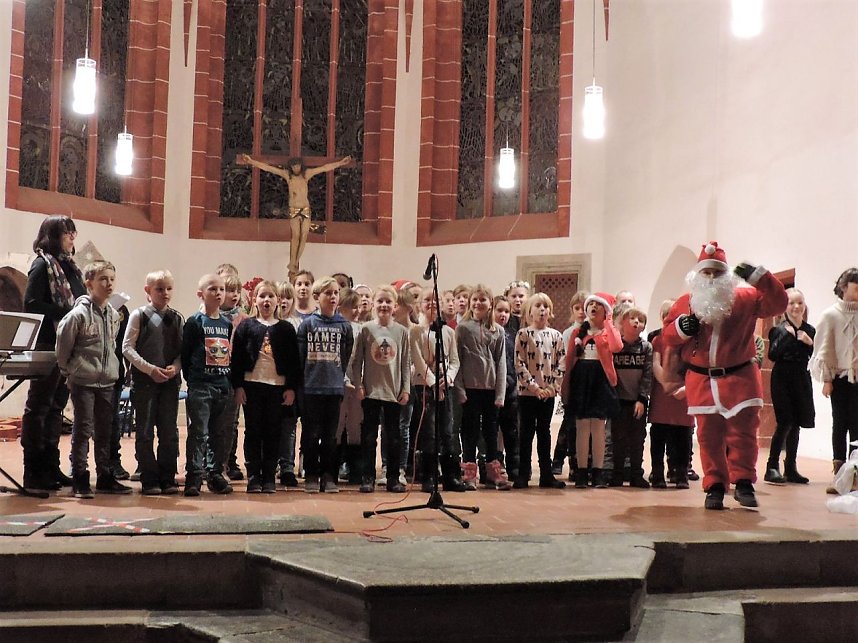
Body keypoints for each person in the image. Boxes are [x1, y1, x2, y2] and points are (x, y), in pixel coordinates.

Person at [663, 241, 788, 510]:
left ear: (727, 276)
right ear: (697, 276)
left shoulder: (745, 299)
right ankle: (715, 486)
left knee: (743, 434)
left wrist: (761, 277)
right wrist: (681, 328)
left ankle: (743, 482)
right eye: (705, 273)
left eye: (716, 273)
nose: (710, 279)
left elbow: (778, 303)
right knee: (708, 436)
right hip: (701, 380)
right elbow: (668, 336)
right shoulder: (685, 303)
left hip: (740, 378)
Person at [21, 215, 86, 492]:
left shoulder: (70, 267)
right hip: (49, 344)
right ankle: (33, 471)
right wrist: (70, 314)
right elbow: (32, 304)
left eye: (73, 233)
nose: (72, 238)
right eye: (67, 233)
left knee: (57, 408)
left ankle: (51, 466)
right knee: (40, 407)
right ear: (52, 235)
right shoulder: (41, 265)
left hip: (69, 346)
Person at [55, 261, 129, 498]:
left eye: (111, 279)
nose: (109, 284)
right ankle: (80, 477)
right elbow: (63, 349)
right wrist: (69, 372)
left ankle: (105, 476)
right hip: (84, 381)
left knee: (105, 431)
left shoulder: (113, 315)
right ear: (89, 283)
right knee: (83, 429)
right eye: (103, 279)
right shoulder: (77, 315)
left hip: (107, 381)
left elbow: (112, 346)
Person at [231, 280, 300, 494]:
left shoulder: (286, 329)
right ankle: (254, 476)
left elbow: (293, 362)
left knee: (273, 432)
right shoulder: (246, 326)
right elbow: (238, 359)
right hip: (252, 386)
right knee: (253, 431)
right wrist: (238, 387)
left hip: (276, 387)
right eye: (262, 296)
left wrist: (291, 388)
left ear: (278, 301)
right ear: (255, 300)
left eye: (271, 296)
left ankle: (269, 475)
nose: (266, 300)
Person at [239, 153, 353, 277]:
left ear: (300, 166)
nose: (296, 168)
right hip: (294, 209)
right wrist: (251, 161)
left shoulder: (306, 174)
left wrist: (341, 163)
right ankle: (292, 263)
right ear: (291, 167)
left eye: (297, 165)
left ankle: (295, 263)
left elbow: (324, 168)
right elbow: (269, 168)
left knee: (304, 235)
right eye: (293, 166)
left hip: (305, 208)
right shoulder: (288, 176)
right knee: (295, 237)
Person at [122, 269, 184, 495]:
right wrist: (149, 370)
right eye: (159, 289)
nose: (165, 293)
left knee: (168, 431)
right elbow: (127, 348)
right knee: (145, 430)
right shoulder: (139, 315)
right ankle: (149, 478)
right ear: (148, 291)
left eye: (169, 289)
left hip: (169, 382)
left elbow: (181, 351)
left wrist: (175, 368)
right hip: (145, 382)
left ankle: (167, 477)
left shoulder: (177, 318)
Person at [350, 285, 411, 493]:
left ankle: (393, 477)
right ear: (374, 304)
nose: (384, 305)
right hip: (371, 391)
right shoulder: (366, 329)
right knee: (368, 437)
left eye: (388, 302)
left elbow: (404, 362)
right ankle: (367, 477)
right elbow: (357, 360)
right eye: (380, 301)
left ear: (395, 306)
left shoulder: (402, 332)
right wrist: (358, 384)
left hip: (393, 392)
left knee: (393, 437)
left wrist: (406, 389)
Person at [296, 276, 354, 493]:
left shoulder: (344, 326)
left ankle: (329, 476)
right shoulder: (308, 325)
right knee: (311, 434)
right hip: (311, 388)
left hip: (333, 388)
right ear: (316, 297)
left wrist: (338, 377)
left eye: (335, 293)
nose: (332, 297)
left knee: (331, 435)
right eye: (327, 293)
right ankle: (311, 474)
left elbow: (345, 355)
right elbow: (301, 358)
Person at [561, 292, 623, 489]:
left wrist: (609, 323)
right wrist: (565, 385)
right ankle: (581, 471)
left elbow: (617, 346)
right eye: (591, 304)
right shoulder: (578, 333)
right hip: (581, 381)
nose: (593, 308)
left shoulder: (607, 332)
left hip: (600, 382)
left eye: (599, 305)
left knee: (598, 428)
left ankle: (597, 472)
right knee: (581, 428)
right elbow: (570, 359)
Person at [181, 274, 235, 496]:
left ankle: (215, 474)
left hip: (222, 384)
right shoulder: (194, 322)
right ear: (200, 294)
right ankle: (194, 476)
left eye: (221, 289)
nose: (218, 293)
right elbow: (186, 354)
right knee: (199, 432)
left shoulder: (226, 323)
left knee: (219, 432)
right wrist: (193, 379)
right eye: (213, 289)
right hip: (201, 385)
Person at [410, 287, 466, 492]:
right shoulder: (415, 331)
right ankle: (429, 476)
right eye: (427, 300)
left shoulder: (448, 332)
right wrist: (434, 383)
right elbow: (418, 360)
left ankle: (451, 476)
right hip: (425, 387)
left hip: (446, 387)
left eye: (435, 300)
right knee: (429, 432)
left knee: (447, 431)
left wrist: (448, 378)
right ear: (420, 305)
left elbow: (454, 360)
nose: (431, 304)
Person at [455, 284, 509, 490]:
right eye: (475, 299)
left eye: (483, 300)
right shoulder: (462, 328)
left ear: (490, 304)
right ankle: (469, 472)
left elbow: (501, 363)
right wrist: (459, 389)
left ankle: (493, 471)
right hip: (469, 389)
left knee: (490, 431)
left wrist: (500, 393)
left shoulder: (498, 331)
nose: (478, 303)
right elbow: (457, 360)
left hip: (490, 390)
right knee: (469, 431)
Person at [810, 268, 858, 493]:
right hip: (839, 379)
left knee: (857, 426)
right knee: (840, 424)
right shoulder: (831, 315)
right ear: (844, 286)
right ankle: (840, 477)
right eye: (855, 284)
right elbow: (824, 349)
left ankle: (854, 475)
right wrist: (827, 379)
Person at [514, 293, 566, 489]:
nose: (542, 310)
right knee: (525, 433)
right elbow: (519, 363)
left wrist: (551, 388)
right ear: (529, 311)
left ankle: (546, 474)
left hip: (548, 394)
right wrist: (534, 387)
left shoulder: (556, 336)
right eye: (538, 306)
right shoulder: (524, 334)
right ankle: (523, 474)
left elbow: (561, 362)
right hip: (528, 394)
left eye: (545, 306)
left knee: (544, 433)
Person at [765, 288, 815, 485]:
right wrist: (788, 336)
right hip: (782, 379)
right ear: (784, 307)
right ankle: (771, 467)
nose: (796, 307)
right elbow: (773, 355)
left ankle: (791, 468)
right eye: (791, 303)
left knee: (796, 424)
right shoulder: (777, 329)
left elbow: (811, 355)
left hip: (801, 378)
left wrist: (809, 342)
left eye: (799, 303)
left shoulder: (810, 330)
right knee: (784, 421)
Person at [648, 299, 694, 489]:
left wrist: (685, 388)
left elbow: (694, 367)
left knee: (683, 437)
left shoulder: (690, 341)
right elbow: (655, 364)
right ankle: (657, 472)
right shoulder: (657, 339)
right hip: (662, 397)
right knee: (658, 436)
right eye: (667, 315)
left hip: (683, 397)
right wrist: (666, 382)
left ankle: (681, 473)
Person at [610, 306, 653, 488]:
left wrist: (642, 399)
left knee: (637, 439)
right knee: (618, 439)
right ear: (622, 323)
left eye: (640, 320)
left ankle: (636, 473)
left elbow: (648, 375)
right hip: (618, 401)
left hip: (637, 402)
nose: (636, 322)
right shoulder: (615, 346)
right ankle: (617, 474)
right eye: (632, 318)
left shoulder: (646, 347)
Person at [552, 290, 589, 478]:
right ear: (572, 310)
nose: (581, 312)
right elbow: (564, 360)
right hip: (572, 382)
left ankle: (580, 463)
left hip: (587, 383)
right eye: (577, 308)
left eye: (584, 308)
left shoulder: (594, 332)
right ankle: (559, 459)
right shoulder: (567, 333)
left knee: (584, 424)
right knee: (569, 422)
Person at [219, 272, 247, 482]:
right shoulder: (210, 315)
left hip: (235, 375)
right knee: (213, 421)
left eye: (237, 290)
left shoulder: (244, 319)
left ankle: (230, 460)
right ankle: (210, 462)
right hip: (214, 375)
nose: (234, 295)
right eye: (229, 290)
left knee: (232, 422)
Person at [336, 288, 363, 484]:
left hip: (357, 384)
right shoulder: (337, 326)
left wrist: (358, 382)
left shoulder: (362, 329)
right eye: (351, 307)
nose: (356, 311)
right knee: (337, 427)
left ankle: (355, 469)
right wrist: (344, 380)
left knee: (355, 427)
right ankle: (334, 465)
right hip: (339, 384)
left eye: (358, 306)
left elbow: (360, 360)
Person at [275, 280, 301, 486]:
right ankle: (270, 463)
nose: (284, 301)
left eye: (288, 297)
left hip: (290, 383)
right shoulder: (263, 323)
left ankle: (287, 466)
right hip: (268, 383)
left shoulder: (298, 324)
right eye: (280, 297)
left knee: (288, 425)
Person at [493, 295, 520, 482]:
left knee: (511, 431)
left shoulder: (512, 335)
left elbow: (515, 361)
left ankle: (514, 468)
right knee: (492, 431)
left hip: (510, 388)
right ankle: (494, 466)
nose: (503, 314)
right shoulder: (489, 332)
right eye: (499, 310)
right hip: (490, 388)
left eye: (506, 311)